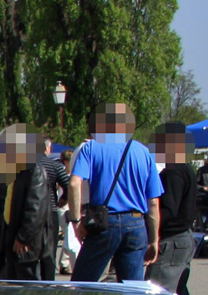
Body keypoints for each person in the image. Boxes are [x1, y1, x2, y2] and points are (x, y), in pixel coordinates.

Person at [68, 102, 163, 283]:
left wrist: (76, 222)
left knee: (82, 285)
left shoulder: (91, 148)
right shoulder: (144, 152)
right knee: (132, 289)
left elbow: (74, 184)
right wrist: (154, 239)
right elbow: (153, 203)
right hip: (136, 222)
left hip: (104, 222)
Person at [0, 127, 66, 280]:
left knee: (27, 286)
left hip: (27, 243)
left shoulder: (33, 169)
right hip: (14, 235)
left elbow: (35, 209)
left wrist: (23, 237)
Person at [147, 123, 200, 295]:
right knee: (178, 292)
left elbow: (169, 210)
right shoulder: (184, 168)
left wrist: (148, 226)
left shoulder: (173, 171)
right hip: (182, 237)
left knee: (159, 294)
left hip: (171, 240)